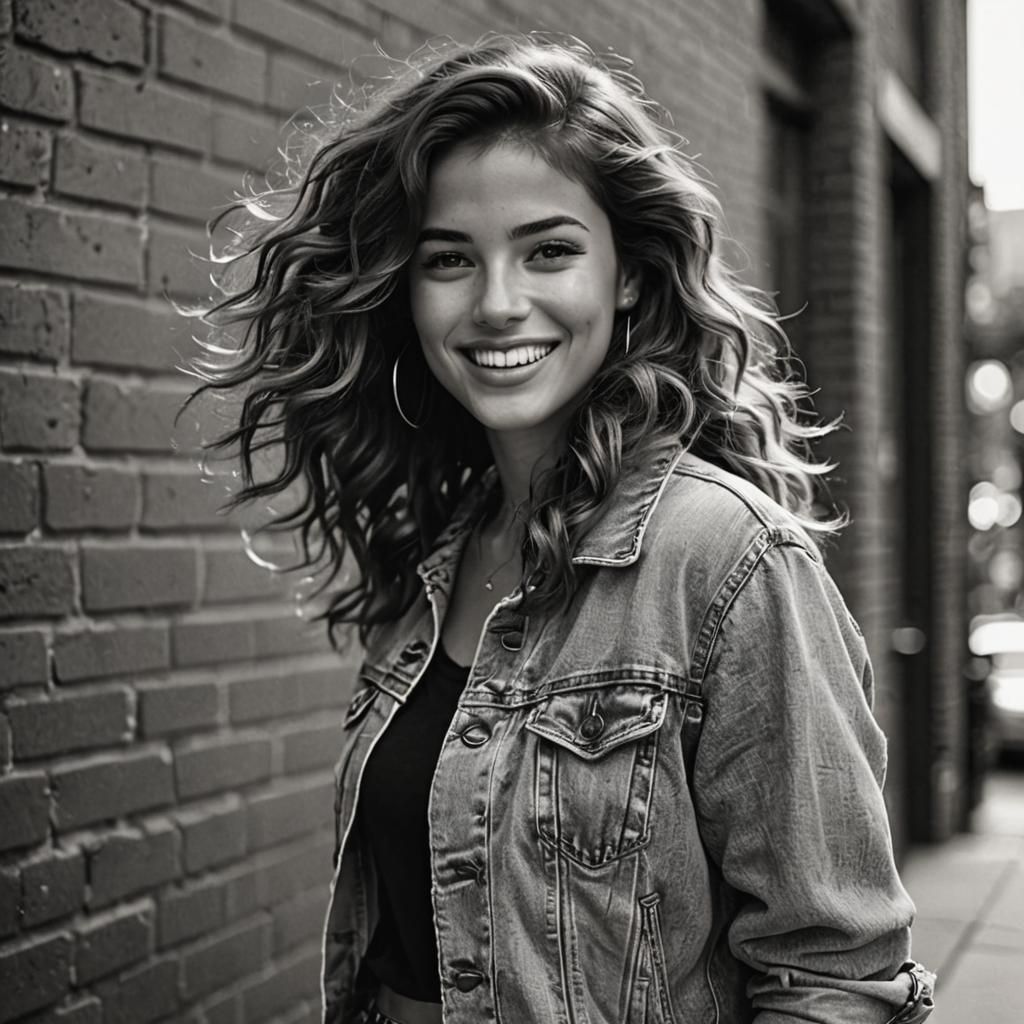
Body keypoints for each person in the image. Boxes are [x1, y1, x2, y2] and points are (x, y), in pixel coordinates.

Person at [189, 33, 935, 1024]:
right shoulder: (441, 554)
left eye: (548, 251)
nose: (498, 304)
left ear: (626, 273)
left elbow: (836, 981)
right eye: (450, 259)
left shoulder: (725, 561)